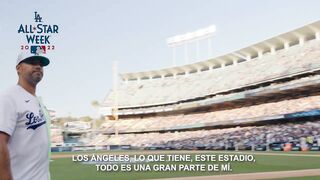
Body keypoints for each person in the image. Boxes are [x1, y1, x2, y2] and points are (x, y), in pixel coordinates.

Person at [0, 52, 51, 180]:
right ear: (18, 68)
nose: (38, 66)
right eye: (32, 62)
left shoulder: (36, 101)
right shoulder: (9, 97)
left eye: (40, 64)